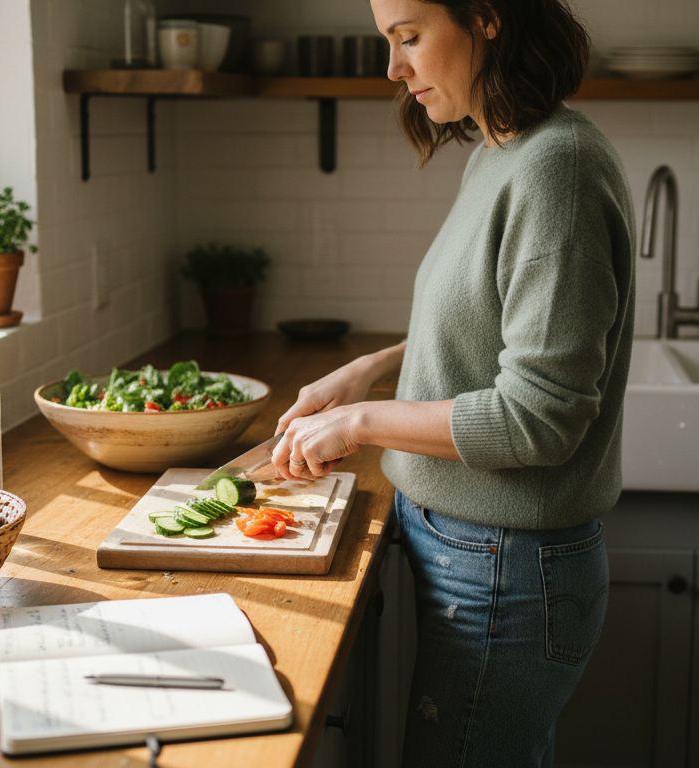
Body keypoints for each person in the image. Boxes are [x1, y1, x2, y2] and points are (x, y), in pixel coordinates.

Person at [271, 0, 635, 765]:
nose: (395, 70)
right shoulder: (502, 151)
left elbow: (538, 418)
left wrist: (363, 422)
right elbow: (493, 328)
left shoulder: (556, 169)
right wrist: (367, 370)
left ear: (488, 19)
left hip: (506, 563)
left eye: (408, 38)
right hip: (472, 549)